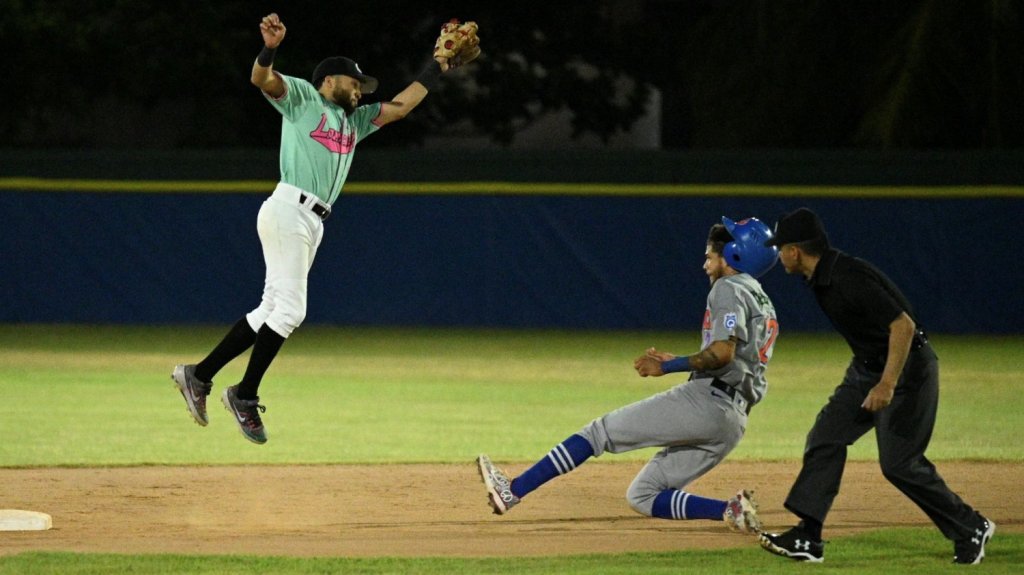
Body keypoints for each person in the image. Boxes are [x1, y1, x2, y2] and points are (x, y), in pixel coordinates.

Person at [172, 13, 465, 444]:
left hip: (311, 220)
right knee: (291, 311)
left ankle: (198, 375)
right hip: (289, 207)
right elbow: (261, 78)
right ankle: (245, 395)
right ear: (330, 81)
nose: (360, 91)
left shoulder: (355, 122)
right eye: (355, 83)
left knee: (270, 310)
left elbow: (402, 106)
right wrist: (269, 48)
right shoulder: (305, 98)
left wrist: (436, 66)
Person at [477, 217, 780, 534]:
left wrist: (668, 365)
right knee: (642, 495)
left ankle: (512, 490)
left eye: (709, 255)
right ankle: (731, 510)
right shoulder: (762, 299)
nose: (705, 263)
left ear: (733, 254)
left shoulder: (727, 288)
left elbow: (721, 353)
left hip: (709, 401)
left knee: (598, 433)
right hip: (734, 421)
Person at [757, 207, 994, 564]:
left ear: (795, 250)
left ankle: (970, 526)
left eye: (781, 247)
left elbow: (903, 327)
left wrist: (887, 384)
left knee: (899, 463)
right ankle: (808, 537)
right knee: (826, 437)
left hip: (907, 370)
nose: (778, 254)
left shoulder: (848, 276)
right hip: (867, 370)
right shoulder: (820, 276)